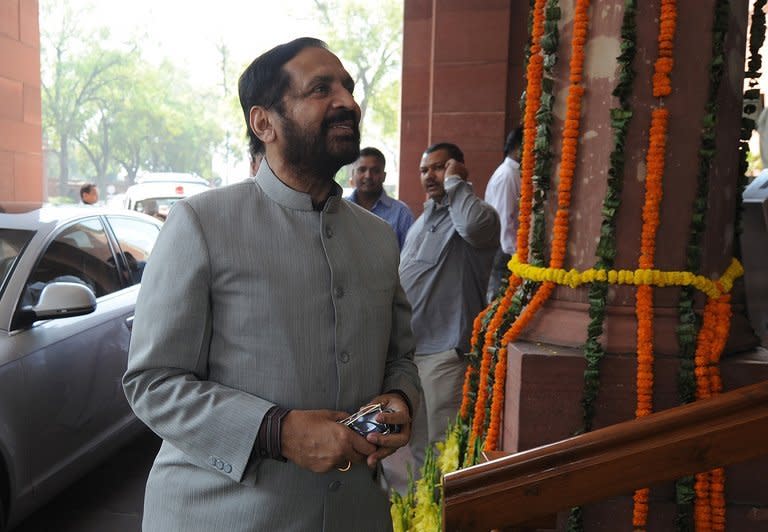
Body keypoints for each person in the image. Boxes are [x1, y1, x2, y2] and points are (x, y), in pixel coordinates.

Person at [122, 37, 420, 532]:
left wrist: (400, 397)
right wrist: (275, 432)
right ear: (264, 123)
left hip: (354, 516)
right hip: (222, 517)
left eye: (346, 86)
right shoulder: (202, 223)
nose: (347, 101)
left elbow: (401, 356)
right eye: (320, 89)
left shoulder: (377, 236)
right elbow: (152, 383)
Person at [398, 142, 499, 471]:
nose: (430, 175)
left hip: (445, 353)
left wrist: (456, 184)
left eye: (439, 167)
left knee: (444, 447)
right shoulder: (421, 220)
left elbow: (471, 227)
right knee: (415, 443)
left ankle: (444, 518)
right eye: (424, 170)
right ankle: (419, 516)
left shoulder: (478, 217)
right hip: (413, 352)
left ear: (458, 168)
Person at [345, 147, 414, 249]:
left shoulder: (401, 213)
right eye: (362, 170)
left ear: (384, 176)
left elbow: (409, 256)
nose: (368, 176)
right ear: (353, 175)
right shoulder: (340, 207)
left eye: (375, 171)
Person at [484, 126, 523, 301]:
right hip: (504, 252)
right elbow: (504, 219)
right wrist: (515, 254)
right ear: (520, 147)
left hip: (509, 251)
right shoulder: (507, 175)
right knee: (499, 302)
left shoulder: (515, 173)